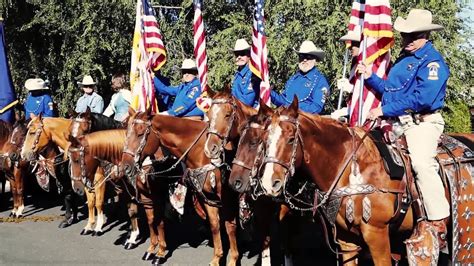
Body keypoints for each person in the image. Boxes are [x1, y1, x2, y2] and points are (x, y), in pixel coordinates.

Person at [357, 9, 449, 243]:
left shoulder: (433, 63)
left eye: (414, 35)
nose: (408, 40)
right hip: (397, 124)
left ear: (426, 35)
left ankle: (438, 219)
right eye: (406, 35)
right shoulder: (404, 59)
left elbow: (423, 99)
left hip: (422, 123)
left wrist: (383, 110)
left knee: (421, 163)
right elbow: (391, 90)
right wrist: (370, 77)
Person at [271, 40, 330, 114]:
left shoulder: (320, 81)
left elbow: (316, 108)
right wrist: (268, 92)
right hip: (287, 118)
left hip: (305, 121)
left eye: (309, 57)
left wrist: (293, 109)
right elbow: (283, 101)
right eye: (302, 56)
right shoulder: (293, 79)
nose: (304, 60)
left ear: (315, 60)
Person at [331, 26, 362, 120]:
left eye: (355, 43)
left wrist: (352, 88)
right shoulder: (355, 62)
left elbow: (369, 94)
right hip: (353, 110)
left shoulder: (371, 64)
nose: (351, 47)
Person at [231, 39, 260, 107]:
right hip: (237, 111)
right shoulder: (238, 74)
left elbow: (247, 102)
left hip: (251, 114)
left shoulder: (253, 74)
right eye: (237, 54)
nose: (239, 57)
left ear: (249, 55)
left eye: (242, 53)